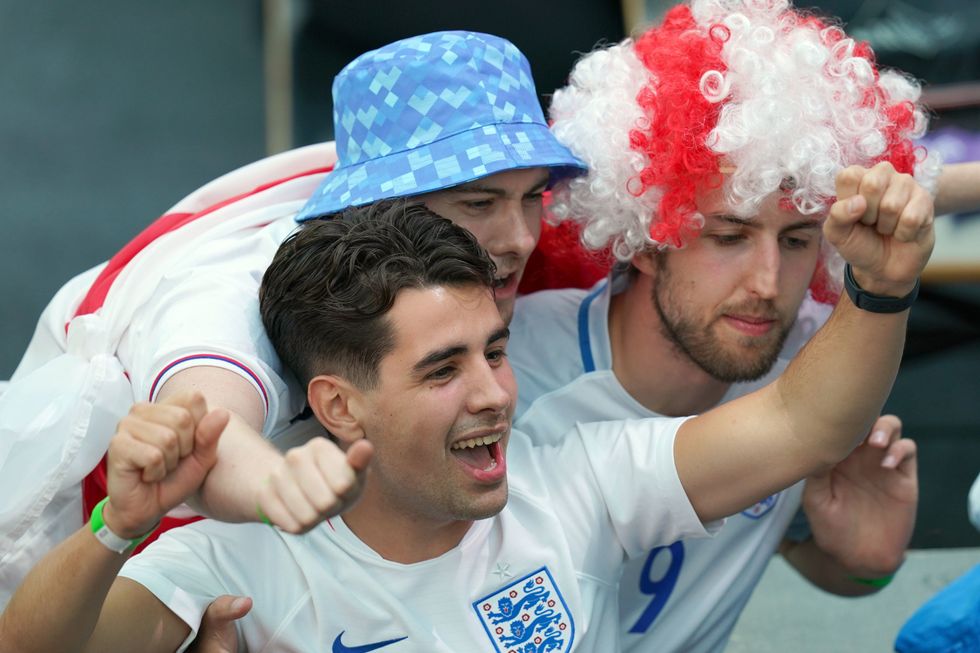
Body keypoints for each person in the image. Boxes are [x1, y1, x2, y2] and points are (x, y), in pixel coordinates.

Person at [0, 185, 934, 651]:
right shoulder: (229, 557)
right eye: (443, 369)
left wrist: (882, 288)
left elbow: (803, 425)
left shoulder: (575, 473)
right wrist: (113, 528)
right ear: (335, 403)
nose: (494, 391)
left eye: (492, 348)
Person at [0, 30, 585, 606]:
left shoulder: (452, 256)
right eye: (480, 203)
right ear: (378, 202)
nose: (521, 237)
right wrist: (279, 487)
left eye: (532, 196)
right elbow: (206, 434)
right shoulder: (226, 288)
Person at [506, 2, 934, 651]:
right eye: (729, 236)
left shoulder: (815, 352)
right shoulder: (510, 371)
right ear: (646, 239)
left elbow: (781, 541)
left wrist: (859, 566)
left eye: (797, 240)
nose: (767, 283)